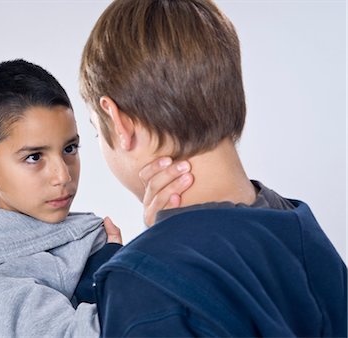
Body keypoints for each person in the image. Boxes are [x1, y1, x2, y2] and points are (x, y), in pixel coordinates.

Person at [79, 0, 347, 336]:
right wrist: (159, 241)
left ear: (118, 121)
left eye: (94, 129)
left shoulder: (144, 286)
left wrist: (149, 258)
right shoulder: (300, 227)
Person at [0, 59, 190, 337]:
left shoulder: (81, 237)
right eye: (34, 157)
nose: (62, 175)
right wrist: (158, 242)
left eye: (70, 148)